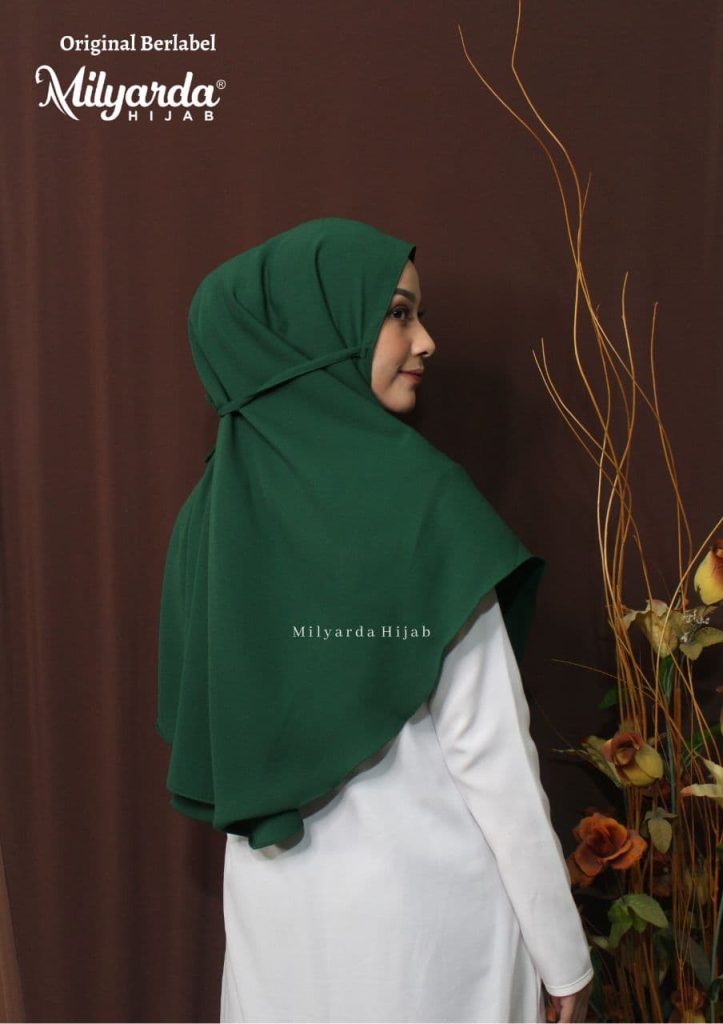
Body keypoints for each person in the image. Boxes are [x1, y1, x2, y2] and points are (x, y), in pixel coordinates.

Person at [157, 217, 595, 1023]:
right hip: (431, 936)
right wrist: (562, 954)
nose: (425, 341)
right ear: (315, 329)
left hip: (278, 927)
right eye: (396, 313)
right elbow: (490, 755)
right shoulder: (420, 500)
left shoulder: (208, 519)